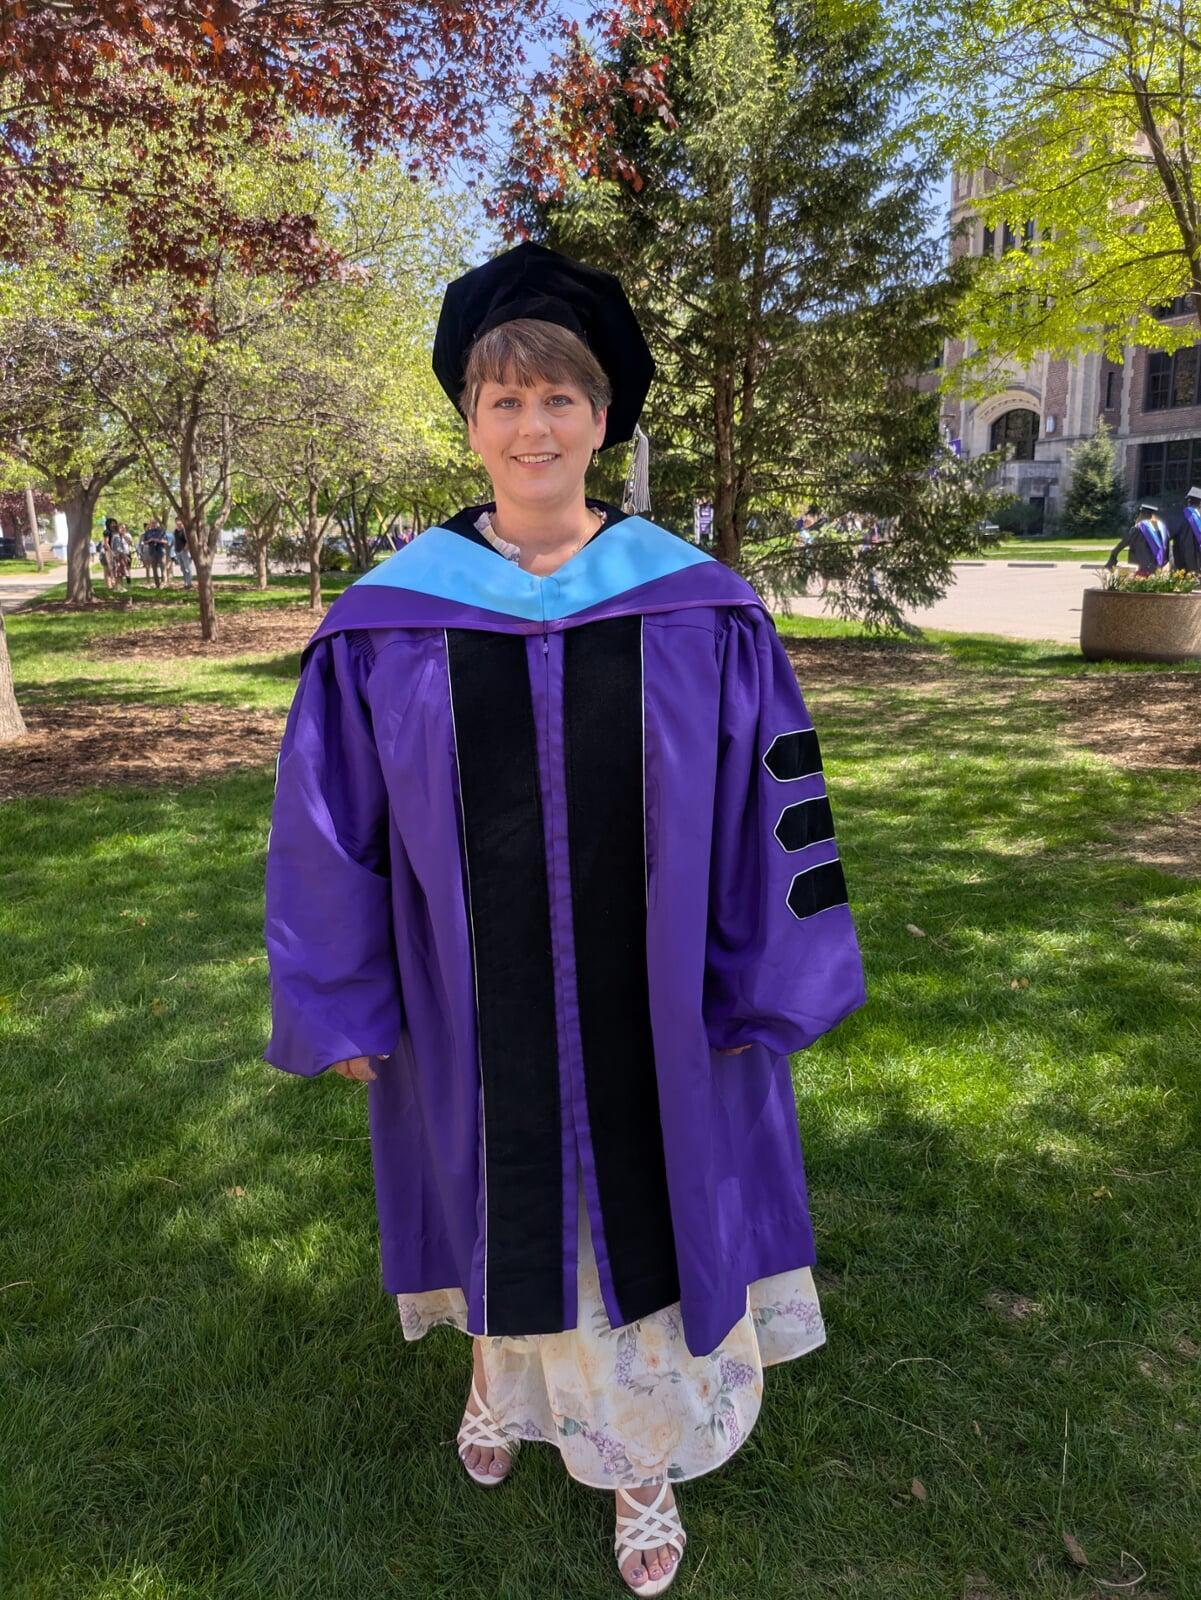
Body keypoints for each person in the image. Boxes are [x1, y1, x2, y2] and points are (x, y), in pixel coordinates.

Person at [263, 243, 867, 1596]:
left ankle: (637, 1455)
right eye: (503, 402)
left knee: (636, 1215)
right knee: (490, 1192)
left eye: (559, 400)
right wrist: (342, 1002)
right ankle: (497, 1373)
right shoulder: (384, 621)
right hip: (462, 1000)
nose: (531, 428)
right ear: (470, 424)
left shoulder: (700, 606)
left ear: (603, 419)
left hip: (661, 1003)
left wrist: (768, 976)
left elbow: (776, 809)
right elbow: (324, 832)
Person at [1107, 501, 1170, 576]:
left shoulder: (1139, 527)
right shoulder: (1162, 528)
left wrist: (1114, 554)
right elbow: (1167, 547)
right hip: (1158, 565)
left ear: (1142, 514)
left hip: (1140, 566)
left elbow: (1124, 542)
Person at [1172, 486, 1201, 573]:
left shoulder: (1178, 516)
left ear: (1188, 502)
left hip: (1181, 562)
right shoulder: (1198, 520)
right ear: (1200, 504)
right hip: (1196, 564)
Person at [144, 520, 170, 588]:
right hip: (152, 552)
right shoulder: (147, 533)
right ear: (150, 524)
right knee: (154, 569)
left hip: (160, 551)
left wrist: (158, 540)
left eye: (155, 523)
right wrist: (150, 540)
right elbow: (144, 542)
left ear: (157, 524)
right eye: (152, 523)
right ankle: (157, 584)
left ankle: (163, 582)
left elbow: (166, 541)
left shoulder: (161, 531)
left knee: (163, 567)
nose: (153, 524)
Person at [172, 521, 193, 589]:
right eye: (177, 524)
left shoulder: (184, 531)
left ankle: (189, 583)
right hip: (178, 551)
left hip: (184, 552)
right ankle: (185, 582)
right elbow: (175, 540)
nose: (178, 525)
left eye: (180, 524)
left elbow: (188, 541)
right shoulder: (175, 531)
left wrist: (185, 549)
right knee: (182, 568)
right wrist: (175, 549)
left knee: (187, 568)